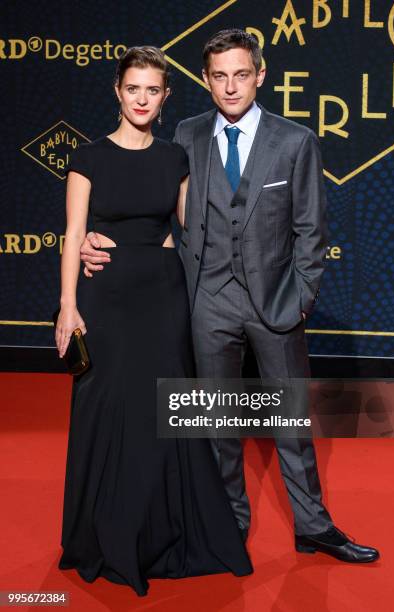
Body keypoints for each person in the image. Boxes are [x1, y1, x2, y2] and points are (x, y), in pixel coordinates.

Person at [80, 31, 379, 564]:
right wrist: (94, 239)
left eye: (242, 74)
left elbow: (312, 230)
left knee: (289, 423)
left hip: (276, 304)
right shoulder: (188, 136)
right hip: (206, 301)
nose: (231, 85)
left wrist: (302, 298)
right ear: (206, 81)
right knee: (216, 423)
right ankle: (227, 523)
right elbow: (154, 209)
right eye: (219, 76)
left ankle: (312, 525)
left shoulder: (294, 141)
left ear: (260, 75)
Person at [55, 45, 252, 598]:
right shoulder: (87, 157)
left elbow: (190, 229)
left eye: (153, 90)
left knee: (167, 411)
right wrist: (68, 305)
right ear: (118, 92)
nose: (142, 98)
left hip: (165, 298)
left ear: (165, 99)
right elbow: (73, 237)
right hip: (106, 301)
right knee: (110, 411)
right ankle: (106, 533)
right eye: (133, 87)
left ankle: (168, 529)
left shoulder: (175, 158)